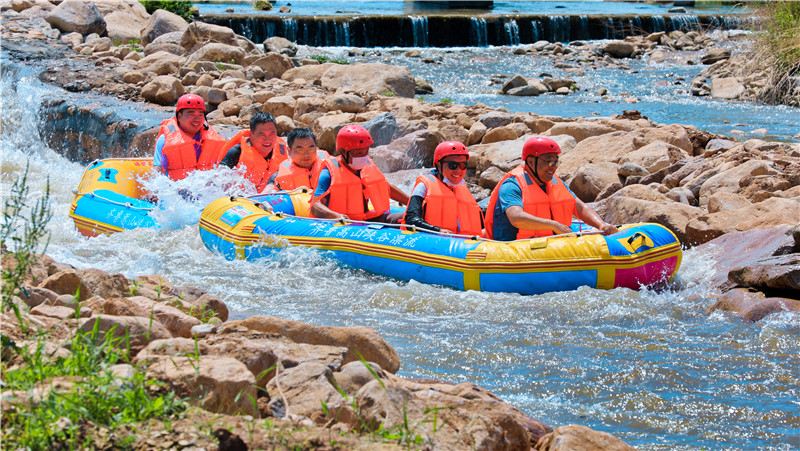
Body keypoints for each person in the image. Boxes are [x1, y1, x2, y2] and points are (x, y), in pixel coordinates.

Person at [484, 136, 619, 241]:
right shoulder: (512, 185)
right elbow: (516, 217)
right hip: (514, 247)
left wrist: (601, 225)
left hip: (551, 244)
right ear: (531, 161)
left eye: (555, 161)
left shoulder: (554, 182)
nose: (553, 166)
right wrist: (553, 225)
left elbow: (580, 207)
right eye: (548, 161)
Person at [311, 124, 409, 222]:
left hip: (369, 219)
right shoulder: (328, 172)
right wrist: (336, 216)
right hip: (343, 223)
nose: (363, 156)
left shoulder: (367, 166)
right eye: (358, 153)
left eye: (365, 151)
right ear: (343, 152)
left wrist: (411, 203)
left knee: (409, 218)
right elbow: (315, 205)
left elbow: (387, 188)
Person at [403, 141, 482, 236]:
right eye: (453, 165)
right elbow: (411, 219)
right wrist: (437, 230)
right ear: (439, 165)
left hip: (463, 243)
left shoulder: (463, 189)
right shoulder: (424, 186)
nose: (459, 170)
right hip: (429, 240)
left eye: (463, 165)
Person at [153, 93, 226, 180]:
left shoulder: (214, 139)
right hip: (175, 189)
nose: (197, 119)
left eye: (200, 114)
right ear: (179, 116)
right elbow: (157, 173)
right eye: (191, 113)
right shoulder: (164, 140)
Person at [218, 112, 288, 192]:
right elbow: (217, 184)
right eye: (261, 134)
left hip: (266, 197)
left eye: (272, 133)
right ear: (251, 134)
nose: (267, 139)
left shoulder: (282, 150)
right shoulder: (236, 153)